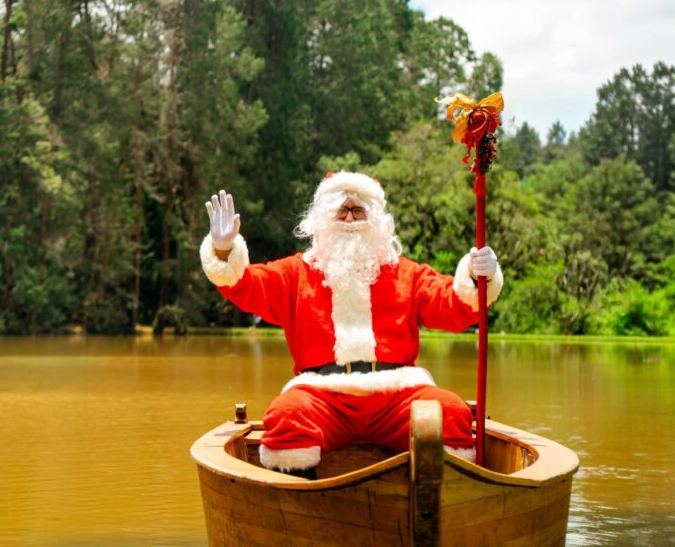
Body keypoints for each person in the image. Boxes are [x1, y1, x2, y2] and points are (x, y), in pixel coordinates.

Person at [200, 171, 502, 477]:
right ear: (321, 218)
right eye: (340, 210)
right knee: (286, 416)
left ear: (377, 220)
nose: (349, 218)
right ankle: (302, 516)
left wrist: (479, 278)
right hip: (322, 396)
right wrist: (223, 249)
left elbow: (450, 304)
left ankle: (443, 512)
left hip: (397, 396)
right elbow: (246, 285)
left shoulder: (406, 273)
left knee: (449, 414)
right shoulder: (295, 273)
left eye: (358, 211)